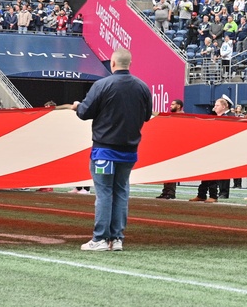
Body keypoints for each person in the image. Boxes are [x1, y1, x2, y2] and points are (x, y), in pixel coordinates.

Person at [72, 48, 152, 251]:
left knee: (104, 193)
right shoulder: (142, 87)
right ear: (130, 63)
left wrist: (77, 106)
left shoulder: (102, 85)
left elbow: (84, 113)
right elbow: (147, 116)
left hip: (104, 151)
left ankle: (99, 238)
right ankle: (117, 239)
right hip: (129, 150)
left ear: (112, 64)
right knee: (122, 191)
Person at [190, 95, 236, 202]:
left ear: (224, 106)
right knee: (206, 171)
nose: (214, 107)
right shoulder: (215, 117)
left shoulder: (229, 117)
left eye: (217, 105)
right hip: (212, 148)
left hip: (221, 149)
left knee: (212, 173)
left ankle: (213, 195)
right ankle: (202, 194)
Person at [156, 99, 184, 199]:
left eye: (173, 104)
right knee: (167, 169)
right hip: (170, 146)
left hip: (176, 146)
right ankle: (166, 191)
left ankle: (170, 192)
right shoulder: (172, 116)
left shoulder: (182, 117)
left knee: (171, 170)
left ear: (179, 106)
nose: (170, 106)